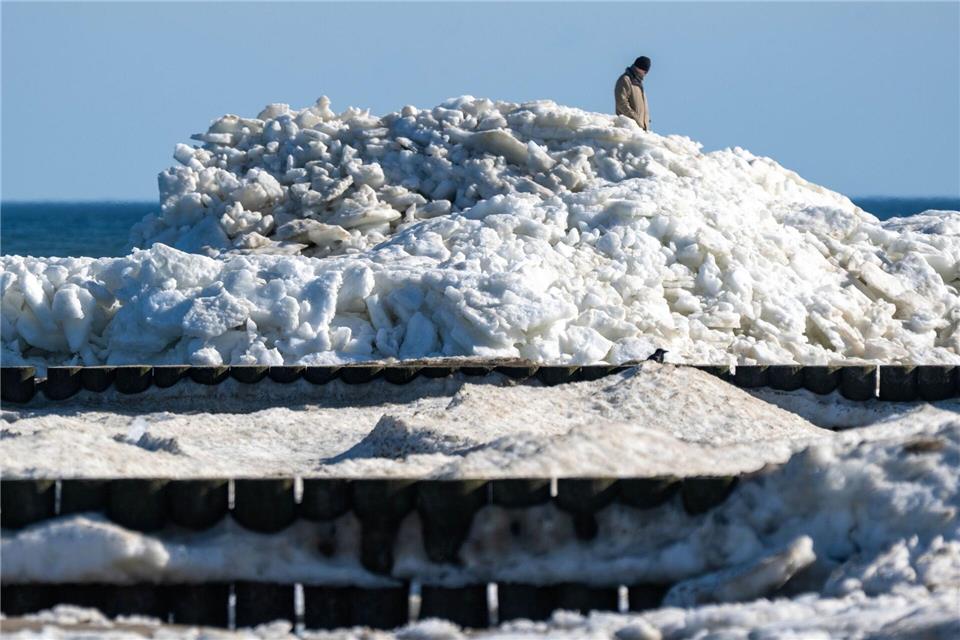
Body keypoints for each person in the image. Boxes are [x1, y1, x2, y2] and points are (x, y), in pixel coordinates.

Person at [615, 56, 651, 131]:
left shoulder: (638, 84)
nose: (645, 74)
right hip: (628, 128)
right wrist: (634, 119)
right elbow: (621, 103)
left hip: (640, 130)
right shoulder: (626, 80)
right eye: (645, 71)